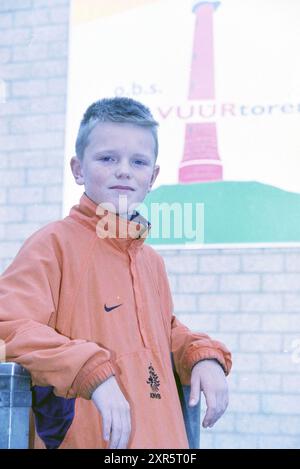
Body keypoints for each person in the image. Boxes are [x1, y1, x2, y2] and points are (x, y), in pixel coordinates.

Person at [0, 97, 232, 449]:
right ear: (78, 169)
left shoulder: (150, 260)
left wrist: (202, 356)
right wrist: (90, 370)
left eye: (138, 161)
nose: (123, 170)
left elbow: (164, 334)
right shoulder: (53, 244)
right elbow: (9, 326)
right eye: (107, 158)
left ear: (152, 177)